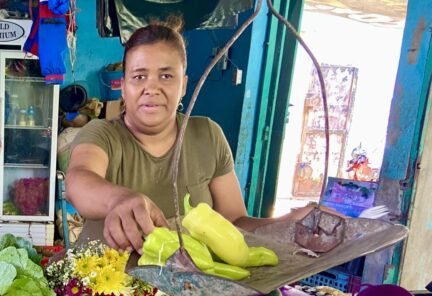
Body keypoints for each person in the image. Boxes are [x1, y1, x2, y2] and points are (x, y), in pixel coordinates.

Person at [65, 19, 320, 254]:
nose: (151, 88)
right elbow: (79, 180)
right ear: (124, 86)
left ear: (184, 85)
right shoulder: (102, 134)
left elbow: (234, 224)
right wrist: (118, 199)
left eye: (166, 76)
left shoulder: (207, 136)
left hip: (188, 295)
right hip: (108, 293)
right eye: (139, 76)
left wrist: (289, 223)